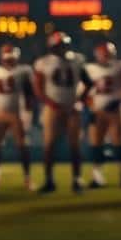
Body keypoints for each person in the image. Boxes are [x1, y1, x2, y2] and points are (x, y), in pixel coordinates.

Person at [33, 32, 91, 194]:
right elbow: (38, 88)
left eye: (63, 45)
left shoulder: (77, 59)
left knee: (75, 145)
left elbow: (88, 83)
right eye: (58, 46)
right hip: (53, 107)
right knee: (49, 145)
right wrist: (51, 103)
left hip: (72, 107)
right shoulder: (43, 63)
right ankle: (49, 179)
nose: (61, 49)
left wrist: (80, 100)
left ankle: (77, 179)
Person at [83, 40, 121, 189]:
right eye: (103, 52)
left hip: (115, 110)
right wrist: (90, 107)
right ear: (97, 54)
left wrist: (118, 98)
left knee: (119, 144)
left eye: (109, 52)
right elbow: (83, 93)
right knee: (96, 145)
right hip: (97, 111)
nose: (106, 56)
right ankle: (97, 177)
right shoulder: (89, 69)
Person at [0, 44, 35, 189]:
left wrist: (28, 111)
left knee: (23, 146)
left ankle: (27, 178)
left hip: (17, 112)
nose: (8, 61)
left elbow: (29, 93)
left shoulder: (23, 70)